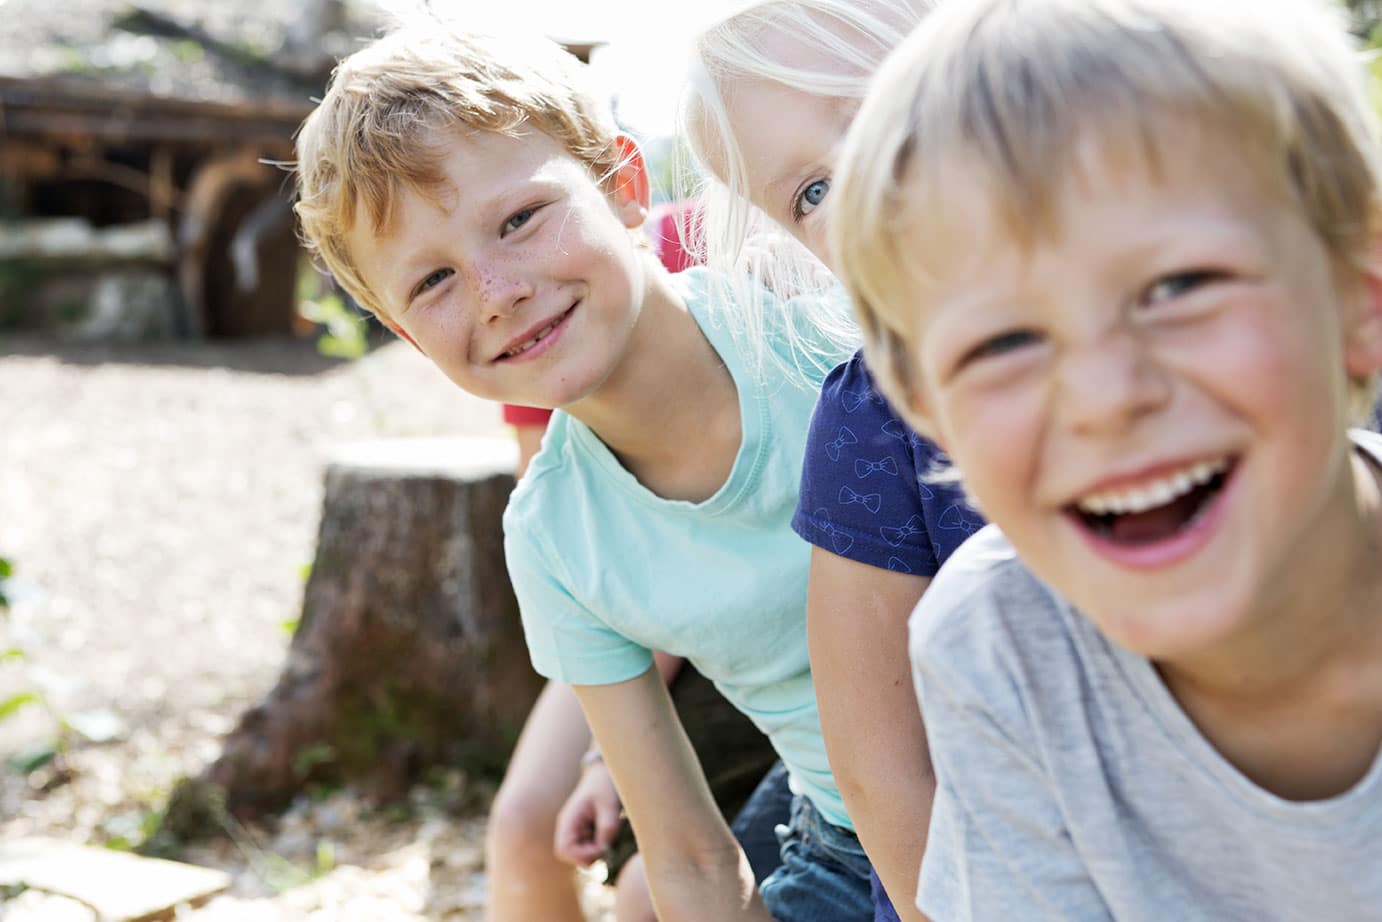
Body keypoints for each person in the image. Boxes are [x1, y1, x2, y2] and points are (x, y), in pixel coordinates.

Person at [292, 20, 862, 921]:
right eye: (432, 282)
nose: (497, 289)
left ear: (626, 185)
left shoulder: (812, 327)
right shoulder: (555, 539)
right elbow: (691, 862)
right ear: (406, 337)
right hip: (851, 839)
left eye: (519, 219)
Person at [831, 0, 1382, 918]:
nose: (1103, 398)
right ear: (929, 412)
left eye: (1179, 287)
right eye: (1003, 344)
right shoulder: (999, 645)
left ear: (1360, 300)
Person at [685, 3, 969, 919]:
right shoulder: (876, 418)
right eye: (810, 193)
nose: (863, 183)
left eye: (885, 99)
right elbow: (886, 777)